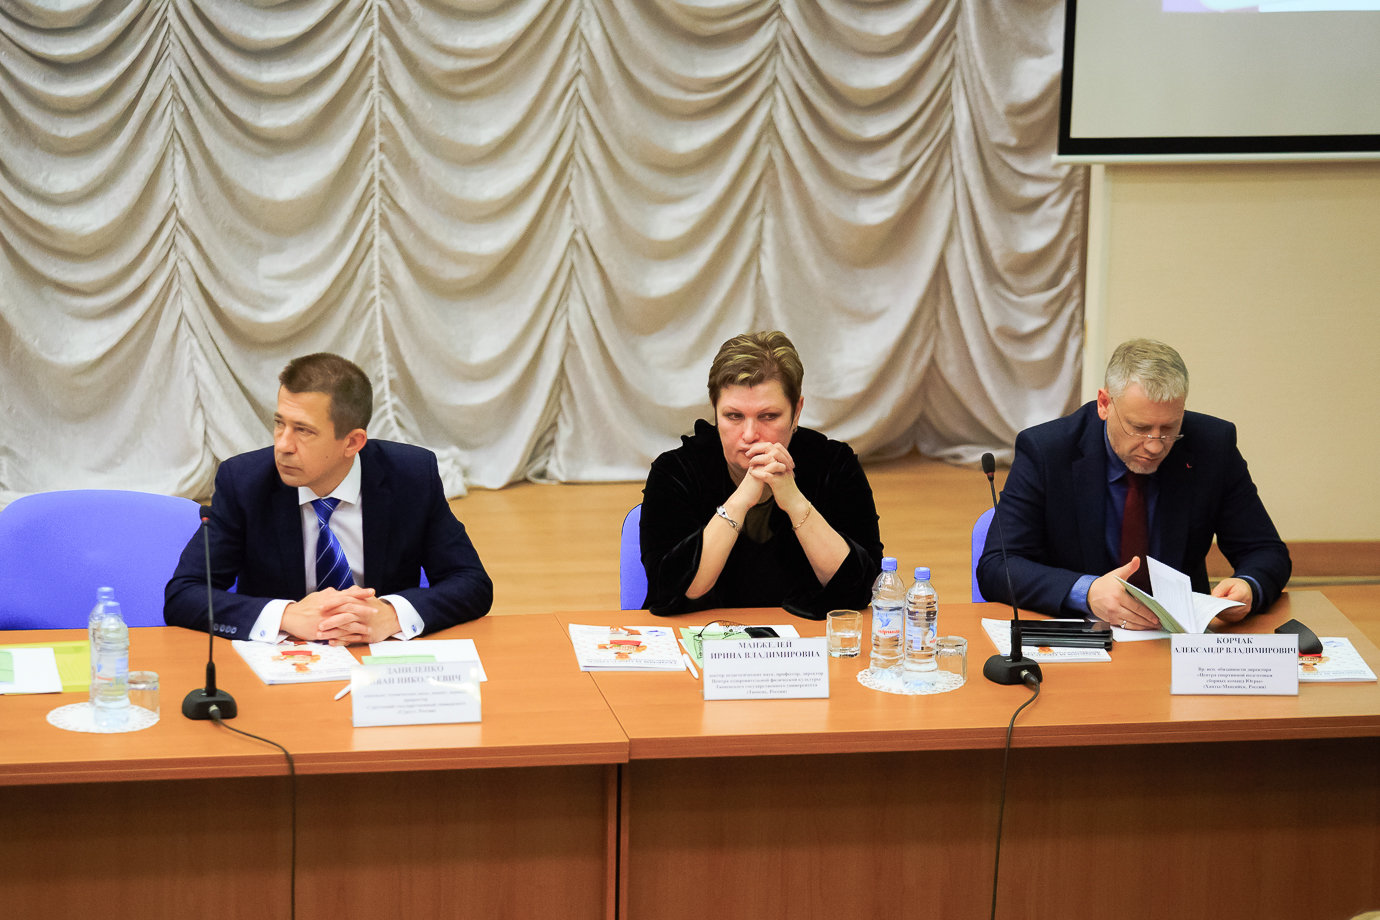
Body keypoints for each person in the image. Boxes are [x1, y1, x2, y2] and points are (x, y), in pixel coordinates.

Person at [165, 353, 492, 644]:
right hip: (283, 663)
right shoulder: (244, 482)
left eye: (303, 430)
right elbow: (184, 595)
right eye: (280, 424)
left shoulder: (411, 477)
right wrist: (286, 616)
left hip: (380, 661)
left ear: (352, 442)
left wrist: (392, 615)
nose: (283, 445)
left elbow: (472, 583)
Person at [977, 338, 1290, 628]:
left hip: (1176, 638)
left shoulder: (1212, 446)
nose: (1154, 445)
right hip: (1083, 633)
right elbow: (997, 566)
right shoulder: (1047, 451)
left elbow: (1266, 551)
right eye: (1139, 428)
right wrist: (1087, 591)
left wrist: (1249, 586)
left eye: (1169, 428)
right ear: (1104, 404)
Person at [640, 331, 882, 619]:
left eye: (768, 416)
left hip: (807, 640)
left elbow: (861, 589)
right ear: (715, 411)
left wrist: (793, 500)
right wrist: (742, 498)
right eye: (734, 416)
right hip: (699, 637)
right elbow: (672, 591)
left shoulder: (835, 465)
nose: (750, 435)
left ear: (796, 412)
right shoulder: (675, 471)